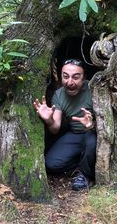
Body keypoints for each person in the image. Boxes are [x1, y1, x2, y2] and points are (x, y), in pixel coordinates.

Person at [33, 59, 97, 191]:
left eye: (76, 77)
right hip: (75, 135)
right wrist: (49, 119)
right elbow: (55, 128)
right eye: (65, 76)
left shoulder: (94, 90)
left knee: (91, 142)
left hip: (95, 134)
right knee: (51, 164)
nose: (70, 82)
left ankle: (84, 175)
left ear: (84, 78)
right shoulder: (59, 94)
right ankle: (83, 164)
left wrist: (92, 125)